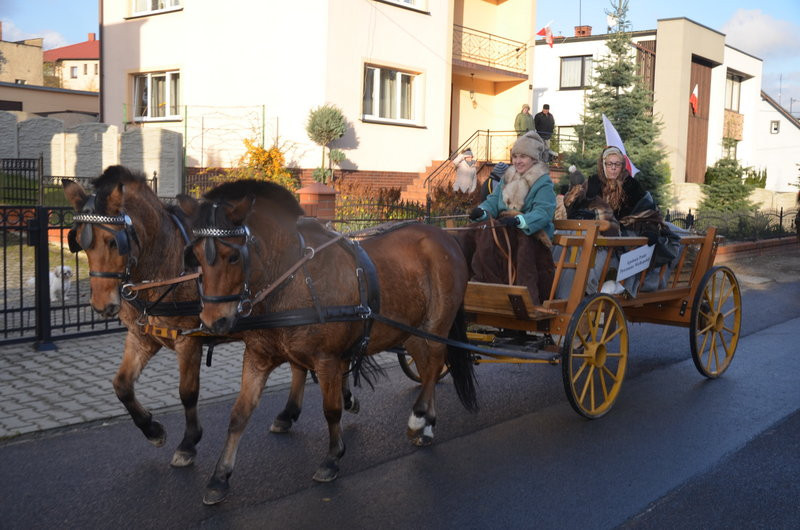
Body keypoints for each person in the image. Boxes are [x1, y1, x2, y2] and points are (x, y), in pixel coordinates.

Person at [467, 131, 556, 304]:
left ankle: (526, 297)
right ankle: (482, 284)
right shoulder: (507, 179)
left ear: (534, 159)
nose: (517, 161)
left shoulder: (543, 182)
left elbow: (543, 212)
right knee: (475, 232)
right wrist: (482, 211)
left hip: (533, 234)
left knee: (523, 242)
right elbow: (493, 201)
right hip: (505, 229)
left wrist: (520, 220)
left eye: (523, 156)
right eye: (515, 156)